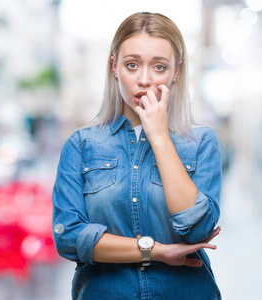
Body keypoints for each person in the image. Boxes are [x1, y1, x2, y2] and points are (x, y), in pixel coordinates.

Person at [52, 12, 222, 300]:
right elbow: (68, 238)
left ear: (176, 71)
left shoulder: (201, 142)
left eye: (159, 67)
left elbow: (197, 229)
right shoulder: (81, 145)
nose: (144, 80)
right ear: (114, 66)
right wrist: (156, 251)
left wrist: (159, 136)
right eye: (132, 65)